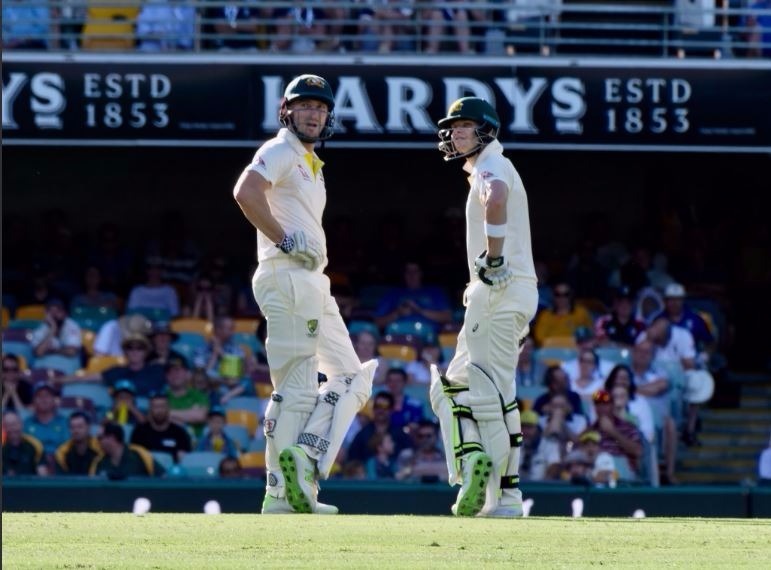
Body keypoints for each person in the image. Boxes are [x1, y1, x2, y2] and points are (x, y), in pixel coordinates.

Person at [232, 73, 378, 515]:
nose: (313, 113)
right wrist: (284, 239)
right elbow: (245, 192)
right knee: (295, 388)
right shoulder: (279, 150)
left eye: (320, 107)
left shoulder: (311, 164)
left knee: (354, 377)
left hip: (314, 281)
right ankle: (280, 494)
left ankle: (306, 458)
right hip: (286, 273)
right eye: (304, 106)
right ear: (287, 111)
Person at [430, 97, 538, 518]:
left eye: (465, 126)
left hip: (498, 288)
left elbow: (495, 198)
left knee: (489, 395)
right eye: (453, 127)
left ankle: (505, 497)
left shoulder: (493, 166)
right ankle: (476, 459)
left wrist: (493, 259)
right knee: (453, 387)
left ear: (487, 131)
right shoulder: (487, 166)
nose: (456, 133)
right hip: (500, 294)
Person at [130, 391, 192, 463]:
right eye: (156, 407)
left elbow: (184, 460)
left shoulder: (179, 433)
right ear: (150, 409)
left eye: (162, 406)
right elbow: (134, 458)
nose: (159, 411)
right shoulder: (139, 432)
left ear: (168, 408)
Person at [90, 422, 164, 479]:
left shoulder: (140, 454)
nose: (97, 442)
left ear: (111, 438)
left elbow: (162, 476)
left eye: (100, 438)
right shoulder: (98, 462)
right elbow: (92, 487)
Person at [29, 298, 83, 374]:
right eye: (51, 311)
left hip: (68, 363)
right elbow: (39, 352)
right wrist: (52, 330)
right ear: (46, 314)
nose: (54, 315)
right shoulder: (41, 329)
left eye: (58, 311)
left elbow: (72, 351)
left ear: (64, 313)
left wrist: (52, 351)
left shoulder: (72, 326)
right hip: (46, 363)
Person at [23, 381, 70, 464]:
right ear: (33, 400)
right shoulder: (27, 423)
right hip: (34, 464)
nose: (44, 399)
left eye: (47, 396)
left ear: (54, 399)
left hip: (60, 463)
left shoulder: (64, 422)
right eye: (39, 396)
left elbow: (68, 445)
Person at [518, 409, 562, 482]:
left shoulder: (549, 444)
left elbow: (554, 465)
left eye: (529, 427)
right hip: (516, 487)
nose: (525, 431)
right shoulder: (512, 444)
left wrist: (545, 484)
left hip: (540, 487)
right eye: (522, 427)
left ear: (537, 428)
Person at [2, 411, 47, 476]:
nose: (12, 428)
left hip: (30, 484)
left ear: (21, 424)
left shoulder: (35, 444)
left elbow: (42, 474)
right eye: (7, 425)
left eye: (14, 424)